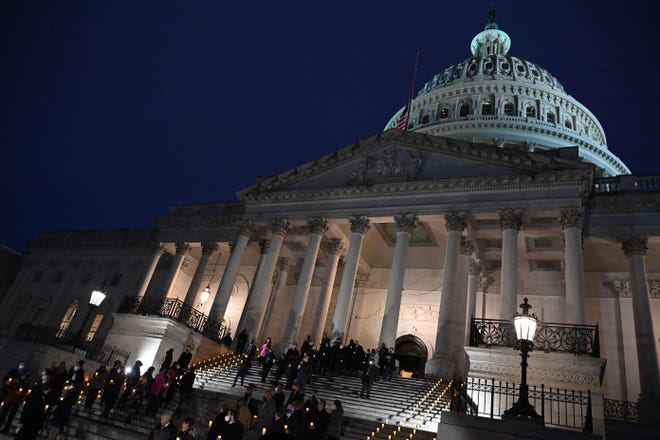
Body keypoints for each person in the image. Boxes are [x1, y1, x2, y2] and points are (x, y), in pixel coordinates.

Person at [0, 365, 29, 433]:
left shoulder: (25, 384)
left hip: (17, 401)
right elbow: (8, 387)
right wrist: (12, 392)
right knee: (3, 413)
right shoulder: (15, 381)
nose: (23, 376)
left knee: (11, 416)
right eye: (23, 375)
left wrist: (21, 393)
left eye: (25, 375)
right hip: (9, 399)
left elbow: (25, 391)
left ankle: (6, 429)